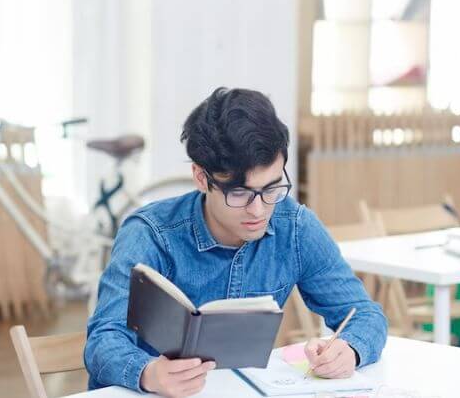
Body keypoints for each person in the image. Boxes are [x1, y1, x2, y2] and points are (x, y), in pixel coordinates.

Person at [85, 87, 387, 397]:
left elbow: (365, 315)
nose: (258, 210)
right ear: (202, 178)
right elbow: (104, 340)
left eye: (271, 188)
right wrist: (149, 373)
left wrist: (350, 349)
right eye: (239, 193)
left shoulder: (295, 227)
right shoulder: (150, 233)